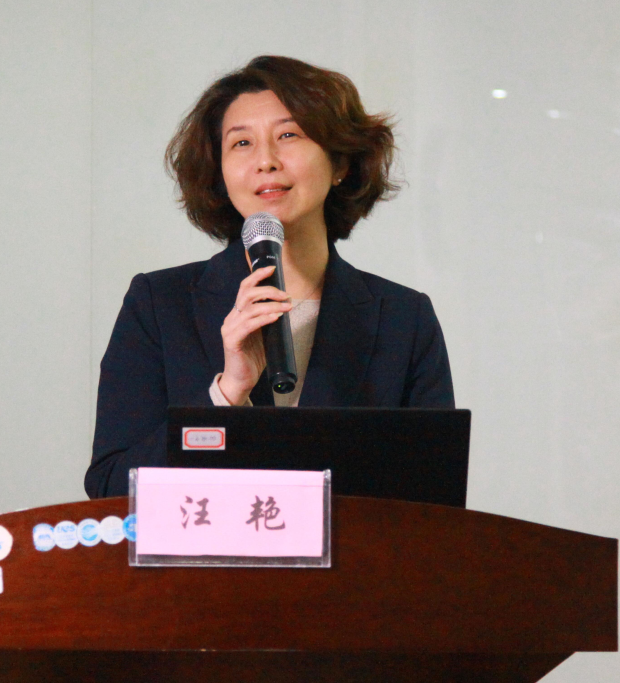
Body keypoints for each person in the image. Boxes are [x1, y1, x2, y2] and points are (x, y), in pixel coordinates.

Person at [85, 55, 454, 499]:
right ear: (220, 174)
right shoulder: (159, 304)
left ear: (340, 164)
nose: (266, 161)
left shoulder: (404, 318)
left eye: (288, 135)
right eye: (241, 143)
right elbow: (111, 487)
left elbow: (434, 501)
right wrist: (227, 394)